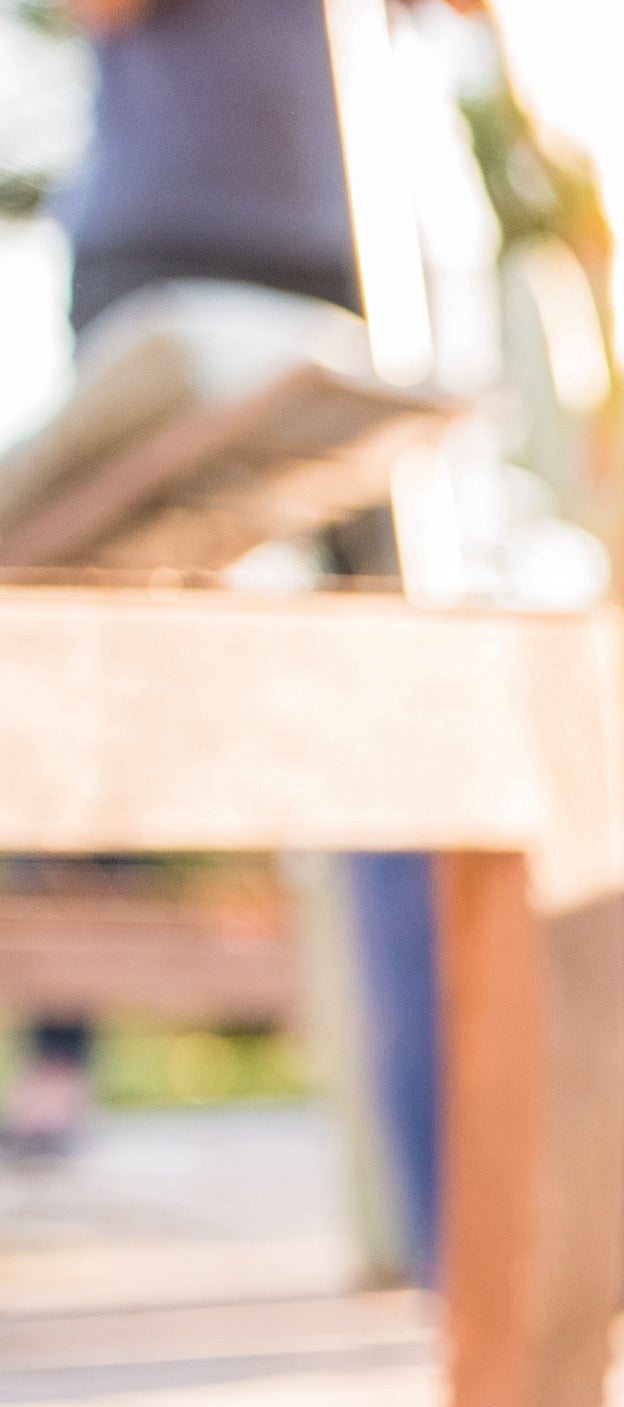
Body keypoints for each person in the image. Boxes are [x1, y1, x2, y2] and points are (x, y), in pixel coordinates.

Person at [3, 0, 441, 1250]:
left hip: (349, 232)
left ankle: (412, 1072)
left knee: (394, 652)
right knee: (107, 666)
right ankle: (60, 1050)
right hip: (163, 238)